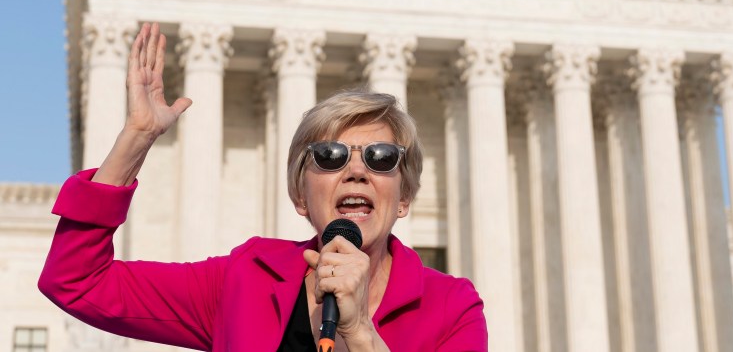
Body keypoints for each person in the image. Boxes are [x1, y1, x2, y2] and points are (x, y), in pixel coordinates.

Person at [39, 23, 488, 351]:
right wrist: (137, 136)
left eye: (381, 158)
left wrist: (360, 334)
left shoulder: (452, 310)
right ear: (299, 196)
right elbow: (76, 281)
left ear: (404, 197)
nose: (356, 171)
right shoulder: (243, 281)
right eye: (329, 156)